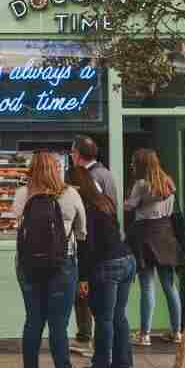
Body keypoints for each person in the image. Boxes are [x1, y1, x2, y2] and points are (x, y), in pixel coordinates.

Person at [14, 151, 88, 368]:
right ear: (56, 169)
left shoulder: (22, 194)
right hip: (62, 264)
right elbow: (82, 232)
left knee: (33, 319)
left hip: (27, 265)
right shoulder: (70, 194)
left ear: (32, 170)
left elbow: (15, 223)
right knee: (59, 323)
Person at [72, 165, 136, 368]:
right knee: (119, 315)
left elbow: (86, 246)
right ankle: (122, 364)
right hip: (127, 259)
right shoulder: (105, 202)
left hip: (107, 264)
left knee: (103, 318)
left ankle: (100, 367)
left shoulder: (86, 209)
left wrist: (82, 277)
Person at [125, 148, 183, 346]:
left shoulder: (141, 185)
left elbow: (131, 206)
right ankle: (177, 332)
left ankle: (145, 334)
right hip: (165, 234)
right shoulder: (168, 182)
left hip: (145, 235)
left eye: (134, 161)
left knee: (147, 286)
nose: (132, 165)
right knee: (169, 286)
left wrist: (123, 203)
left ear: (142, 164)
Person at [69, 135, 118, 347]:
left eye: (72, 152)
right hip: (109, 243)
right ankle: (101, 345)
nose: (71, 156)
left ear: (77, 155)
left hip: (91, 243)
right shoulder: (107, 173)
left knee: (85, 291)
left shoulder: (84, 177)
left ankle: (86, 337)